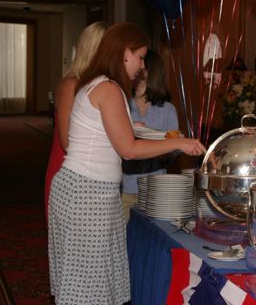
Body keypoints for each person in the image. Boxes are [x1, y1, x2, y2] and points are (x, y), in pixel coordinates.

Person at [47, 22, 206, 304]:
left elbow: (109, 135)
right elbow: (128, 149)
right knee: (87, 287)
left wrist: (135, 128)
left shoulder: (97, 84)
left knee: (90, 282)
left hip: (84, 191)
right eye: (140, 57)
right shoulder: (108, 88)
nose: (143, 66)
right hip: (87, 194)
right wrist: (178, 143)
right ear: (124, 53)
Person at [44, 21, 109, 221]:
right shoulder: (71, 85)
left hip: (92, 175)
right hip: (68, 175)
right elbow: (67, 142)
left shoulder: (99, 85)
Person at [121, 49, 179, 221]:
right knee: (122, 242)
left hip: (156, 191)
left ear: (153, 73)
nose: (138, 70)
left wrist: (167, 147)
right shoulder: (121, 103)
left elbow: (174, 152)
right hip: (125, 189)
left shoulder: (168, 110)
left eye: (143, 66)